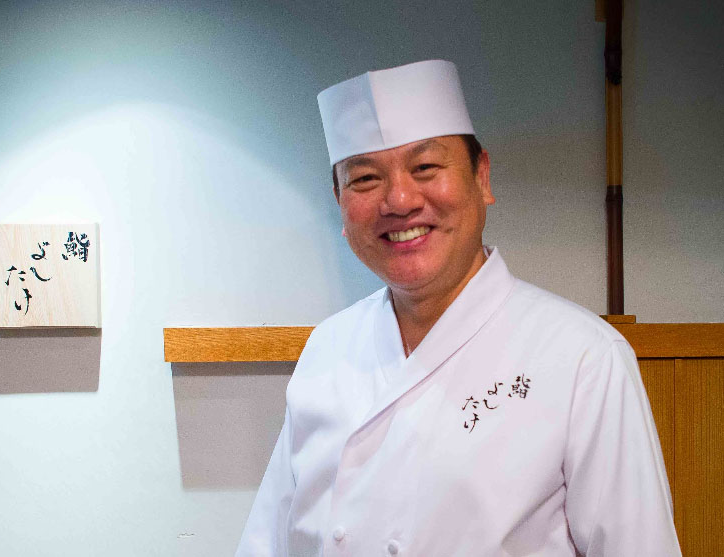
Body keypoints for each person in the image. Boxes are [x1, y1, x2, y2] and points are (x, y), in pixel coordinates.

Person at [236, 60, 681, 556]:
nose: (399, 200)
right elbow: (267, 542)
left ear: (482, 177)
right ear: (339, 202)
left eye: (425, 167)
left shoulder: (583, 357)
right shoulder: (328, 347)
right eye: (364, 179)